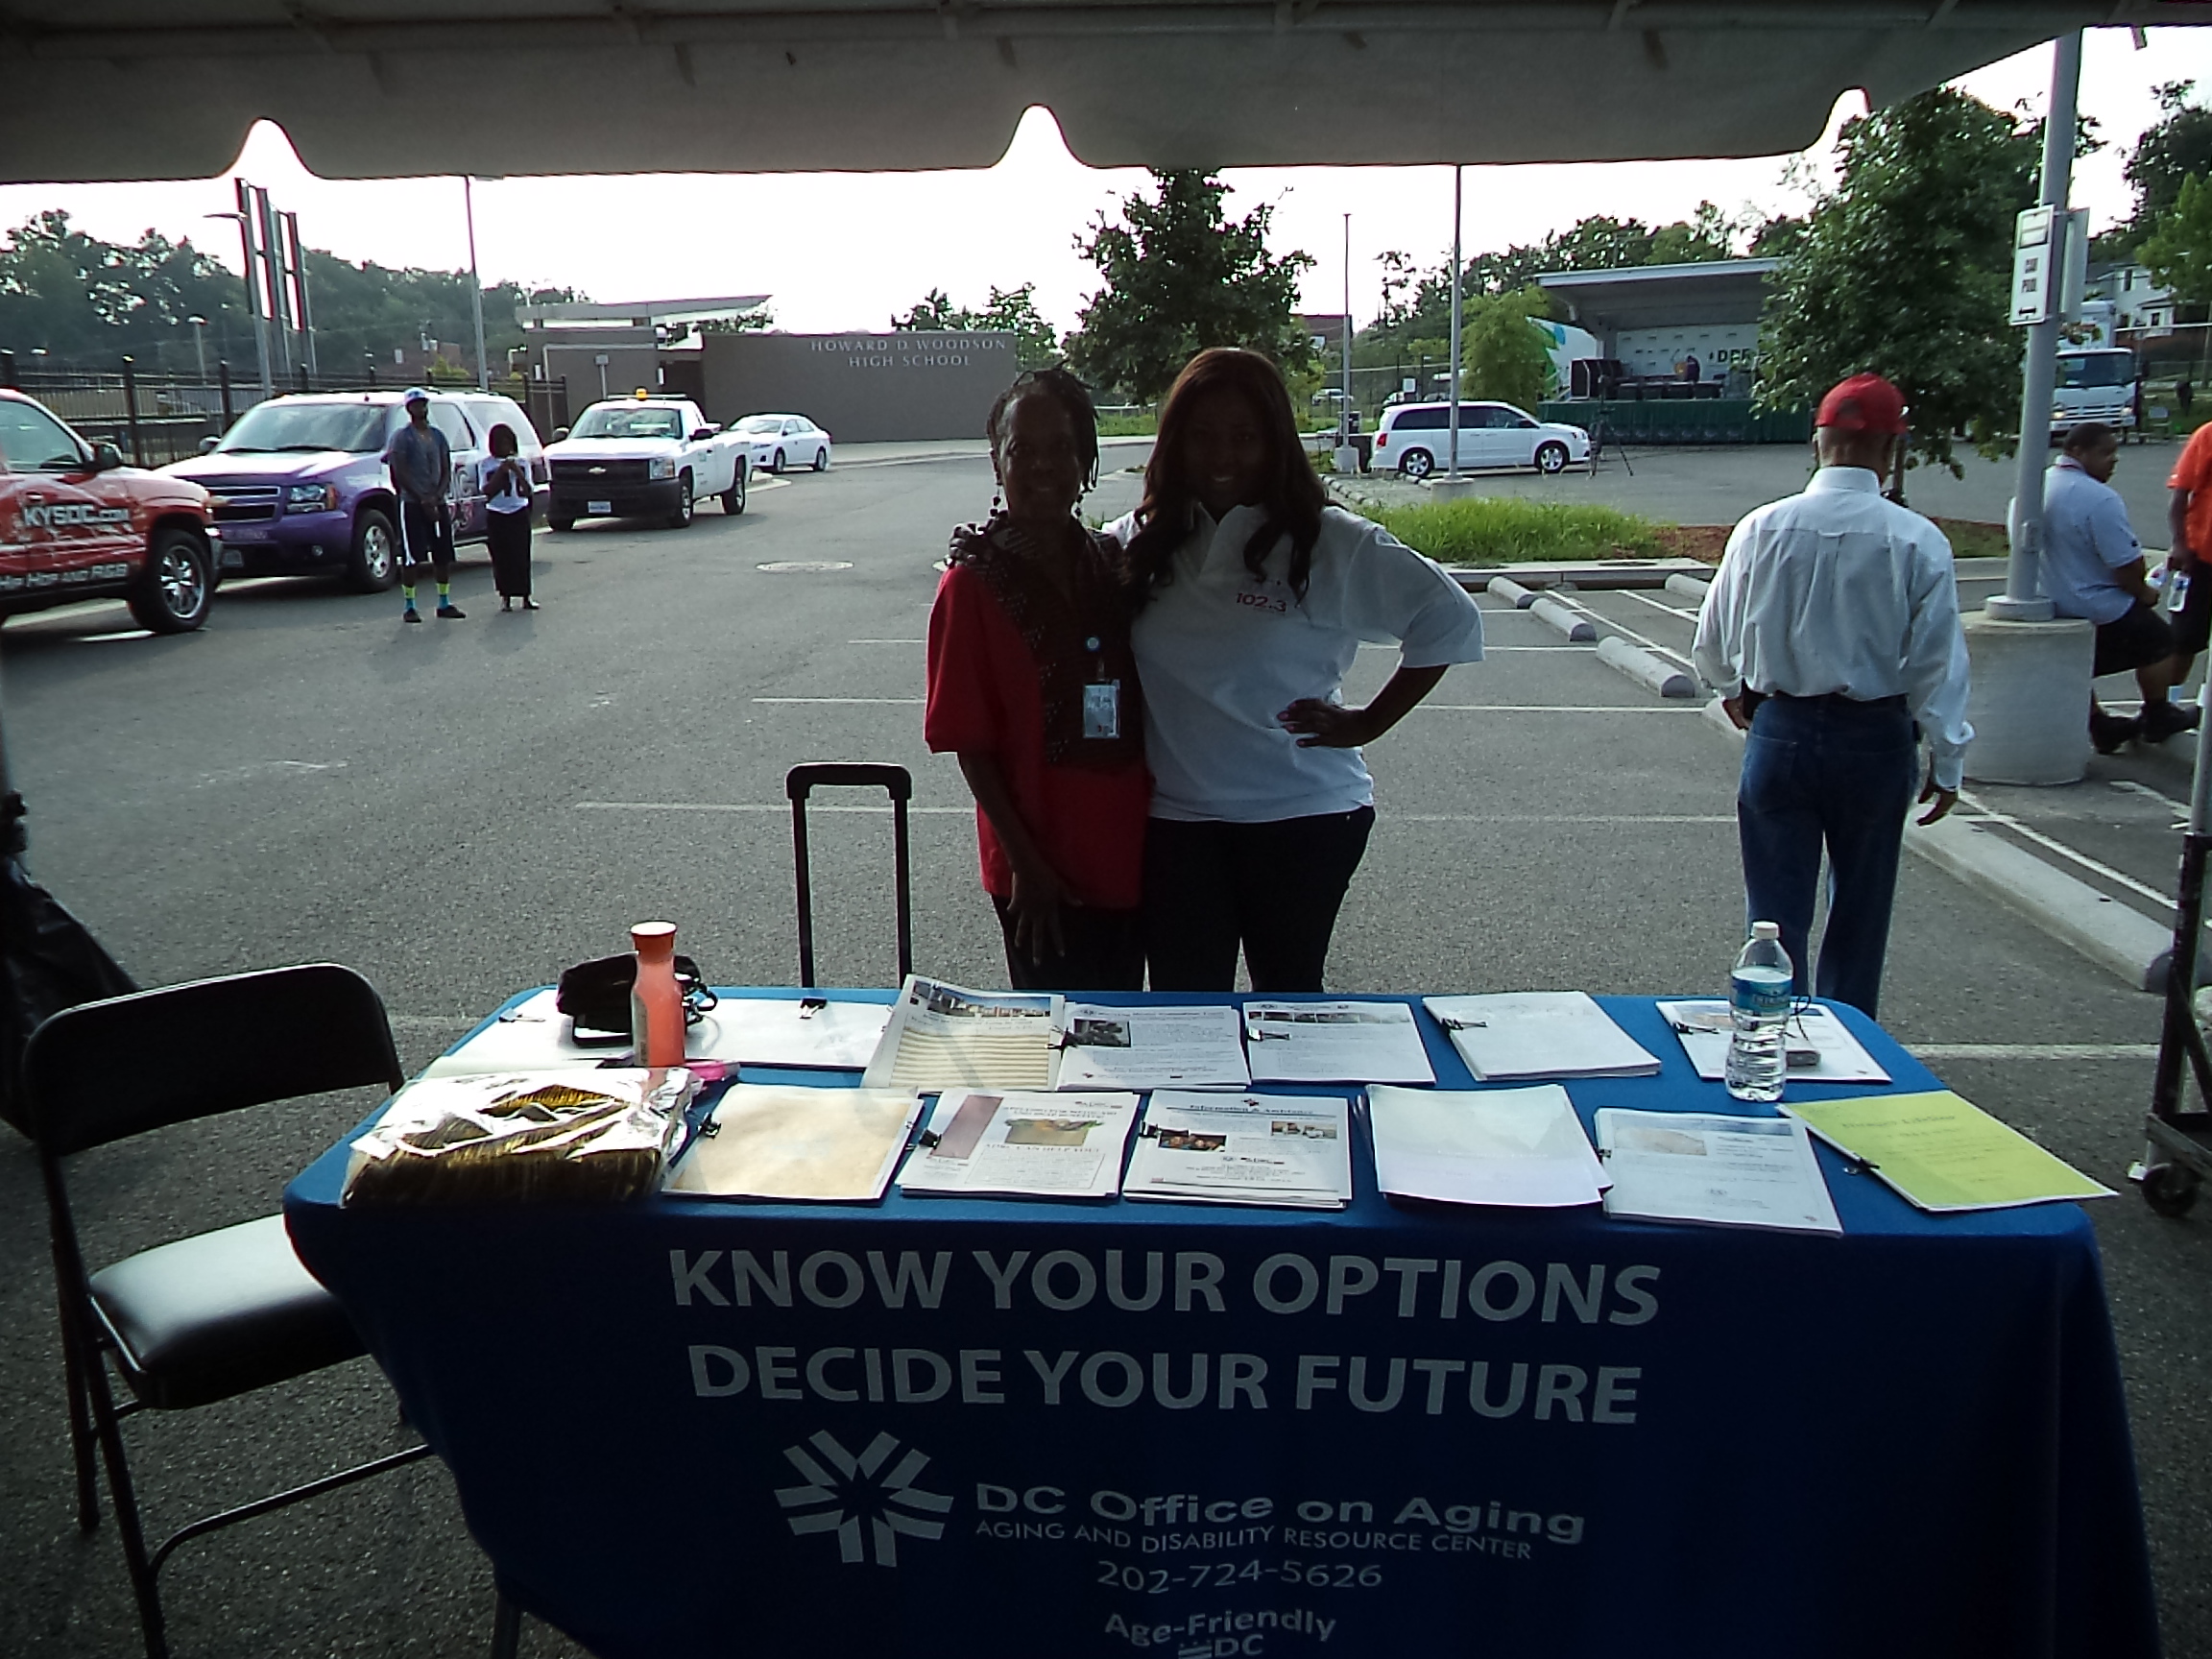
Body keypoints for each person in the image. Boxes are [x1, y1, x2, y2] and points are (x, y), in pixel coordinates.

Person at [1111, 348, 1484, 993]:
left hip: (1302, 819)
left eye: (1243, 437)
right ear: (1174, 441)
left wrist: (1368, 722)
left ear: (1275, 442)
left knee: (1288, 1007)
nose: (1221, 456)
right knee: (1183, 1011)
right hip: (1176, 821)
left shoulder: (1329, 541)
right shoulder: (1141, 540)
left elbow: (1449, 618)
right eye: (1202, 435)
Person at [1691, 372, 1971, 1019]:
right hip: (1874, 735)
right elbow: (1936, 664)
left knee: (1773, 916)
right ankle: (1848, 1043)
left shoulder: (1761, 527)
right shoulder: (1916, 539)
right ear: (1891, 450)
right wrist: (1949, 756)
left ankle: (1770, 1032)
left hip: (1781, 726)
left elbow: (1712, 640)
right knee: (1860, 914)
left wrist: (1733, 691)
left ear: (1817, 442)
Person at [925, 368, 1151, 992]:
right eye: (1023, 449)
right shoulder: (971, 585)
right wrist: (1026, 863)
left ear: (1086, 463)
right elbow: (970, 745)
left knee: (1127, 1022)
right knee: (1056, 1036)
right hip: (1037, 870)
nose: (1043, 465)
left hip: (1129, 854)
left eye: (1062, 448)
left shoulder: (1112, 565)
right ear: (997, 464)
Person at [2041, 421, 2195, 751]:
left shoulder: (2036, 487)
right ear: (2077, 452)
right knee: (2159, 639)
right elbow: (2126, 565)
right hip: (2094, 603)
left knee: (2074, 664)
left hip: (2050, 600)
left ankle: (2098, 722)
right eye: (2104, 452)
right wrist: (2144, 593)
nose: (2113, 460)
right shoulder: (2098, 499)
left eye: (2115, 453)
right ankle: (2157, 713)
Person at [383, 389, 463, 622]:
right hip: (412, 503)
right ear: (409, 409)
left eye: (423, 404)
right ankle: (410, 605)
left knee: (442, 554)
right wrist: (421, 497)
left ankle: (444, 601)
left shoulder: (438, 436)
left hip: (437, 501)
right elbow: (400, 470)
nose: (420, 409)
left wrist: (437, 495)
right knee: (412, 556)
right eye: (415, 405)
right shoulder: (402, 437)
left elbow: (446, 467)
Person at [2166, 407, 2212, 703]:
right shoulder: (2208, 435)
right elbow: (2180, 494)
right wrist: (2180, 543)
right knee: (2185, 638)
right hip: (2202, 554)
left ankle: (2204, 704)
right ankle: (2165, 704)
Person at [478, 423, 537, 612]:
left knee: (521, 555)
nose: (505, 447)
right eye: (501, 443)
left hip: (518, 511)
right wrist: (501, 472)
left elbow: (528, 490)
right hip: (497, 513)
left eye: (508, 442)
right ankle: (506, 597)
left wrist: (517, 471)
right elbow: (486, 490)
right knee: (502, 557)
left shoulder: (522, 463)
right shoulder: (486, 464)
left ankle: (526, 596)